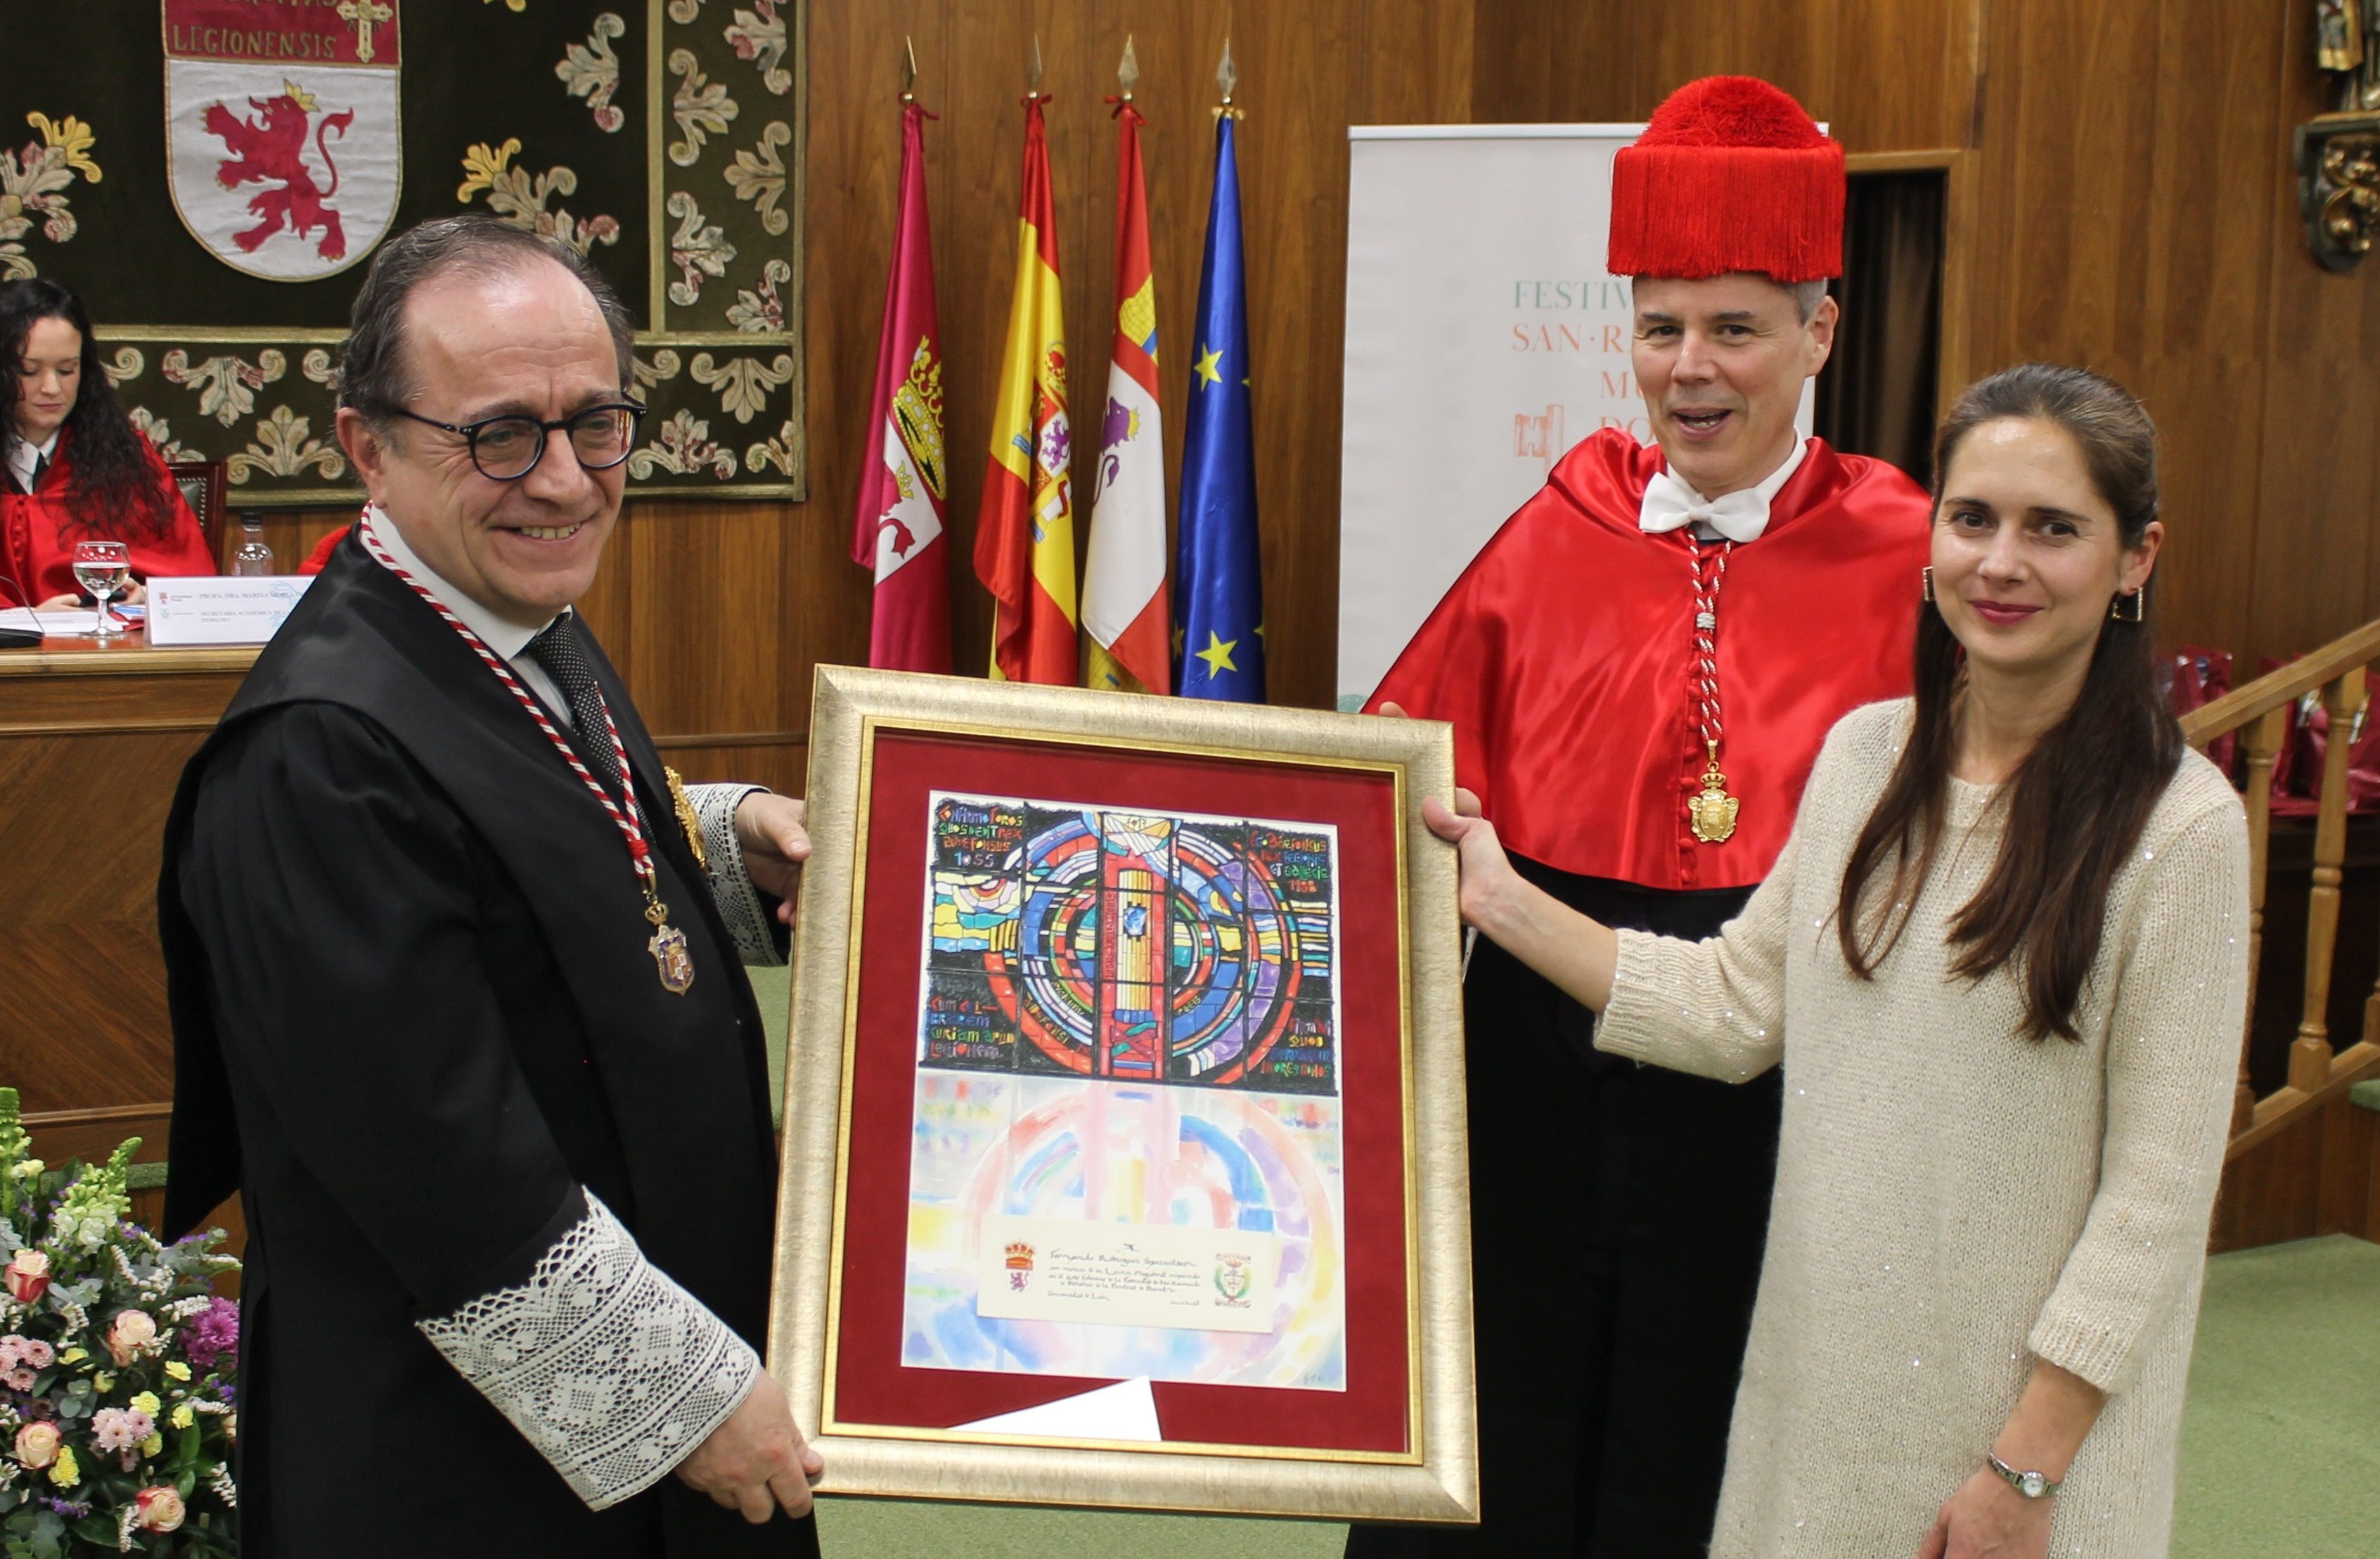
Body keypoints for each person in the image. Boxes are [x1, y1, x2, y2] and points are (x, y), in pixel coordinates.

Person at [1426, 363, 2249, 1558]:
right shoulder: (1867, 758)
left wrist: (2024, 1469)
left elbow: (2157, 1205)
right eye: (1972, 519)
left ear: (2136, 557)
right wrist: (1499, 899)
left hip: (2017, 1461)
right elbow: (1728, 1006)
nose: (2000, 562)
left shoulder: (2184, 831)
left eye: (2053, 528)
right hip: (1808, 1419)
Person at [160, 217, 823, 1557]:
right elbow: (437, 1165)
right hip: (471, 1470)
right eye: (502, 433)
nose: (565, 480)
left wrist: (724, 835)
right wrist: (690, 1405)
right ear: (368, 445)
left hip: (643, 1397)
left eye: (599, 424)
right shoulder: (315, 757)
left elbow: (538, 849)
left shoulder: (507, 616)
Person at [1348, 77, 1934, 1556]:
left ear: (1819, 332)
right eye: (1658, 325)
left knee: (1710, 1428)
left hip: (1777, 1060)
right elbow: (1392, 780)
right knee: (1504, 1416)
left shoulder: (1912, 551)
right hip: (1533, 1059)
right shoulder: (1558, 522)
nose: (1689, 369)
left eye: (1734, 328)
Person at [1, 277, 215, 606]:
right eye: (29, 371)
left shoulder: (124, 457)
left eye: (67, 370)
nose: (52, 388)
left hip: (103, 651)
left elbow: (188, 580)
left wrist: (149, 597)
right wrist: (28, 622)